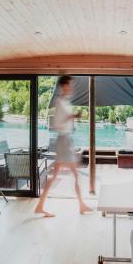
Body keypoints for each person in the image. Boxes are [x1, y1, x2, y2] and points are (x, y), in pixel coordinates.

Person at [34, 75, 92, 217]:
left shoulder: (66, 102)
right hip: (63, 140)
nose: (71, 87)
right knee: (73, 174)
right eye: (69, 85)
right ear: (63, 86)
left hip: (67, 140)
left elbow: (66, 122)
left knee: (61, 174)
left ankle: (41, 206)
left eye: (71, 85)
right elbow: (56, 125)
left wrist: (73, 117)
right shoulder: (60, 102)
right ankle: (81, 205)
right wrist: (71, 117)